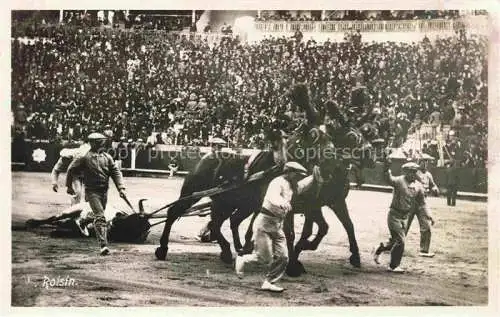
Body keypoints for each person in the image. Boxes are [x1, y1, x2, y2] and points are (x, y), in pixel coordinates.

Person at [234, 162, 315, 292]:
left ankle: (269, 282)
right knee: (264, 258)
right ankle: (243, 259)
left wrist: (314, 176)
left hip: (278, 226)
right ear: (289, 172)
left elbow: (302, 186)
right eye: (296, 174)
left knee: (283, 257)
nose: (297, 177)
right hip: (264, 224)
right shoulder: (276, 182)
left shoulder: (291, 184)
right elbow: (273, 196)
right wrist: (282, 203)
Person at [66, 133, 127, 256]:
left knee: (99, 213)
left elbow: (115, 172)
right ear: (92, 143)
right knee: (100, 217)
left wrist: (121, 188)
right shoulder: (84, 157)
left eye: (102, 141)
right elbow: (71, 170)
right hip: (91, 191)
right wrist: (68, 186)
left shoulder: (107, 157)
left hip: (104, 191)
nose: (102, 143)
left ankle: (83, 222)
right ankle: (103, 245)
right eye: (99, 141)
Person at [373, 161, 434, 272]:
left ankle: (381, 248)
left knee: (395, 241)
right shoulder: (399, 180)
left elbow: (422, 203)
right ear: (406, 172)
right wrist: (386, 168)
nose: (414, 174)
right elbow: (388, 179)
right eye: (411, 172)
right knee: (401, 240)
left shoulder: (418, 186)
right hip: (394, 215)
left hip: (405, 217)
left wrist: (429, 215)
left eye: (415, 171)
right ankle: (393, 266)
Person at [405, 163, 439, 257]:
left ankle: (424, 249)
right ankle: (393, 245)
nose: (425, 164)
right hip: (411, 202)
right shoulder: (414, 173)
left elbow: (433, 185)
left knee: (426, 226)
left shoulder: (428, 175)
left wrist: (435, 188)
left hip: (422, 201)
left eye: (426, 162)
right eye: (423, 162)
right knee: (404, 225)